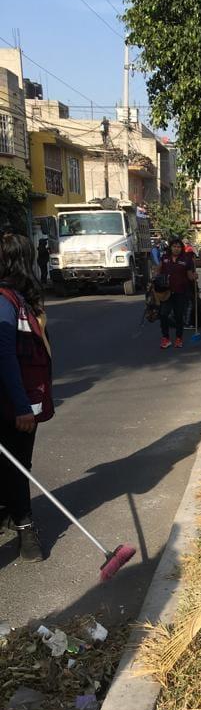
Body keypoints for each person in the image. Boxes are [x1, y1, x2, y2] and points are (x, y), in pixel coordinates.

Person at [0, 233, 53, 562]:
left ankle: (15, 516)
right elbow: (3, 355)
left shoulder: (21, 298)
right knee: (16, 465)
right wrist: (21, 407)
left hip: (25, 399)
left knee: (17, 464)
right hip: (12, 402)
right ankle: (25, 526)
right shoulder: (5, 301)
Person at [157, 237, 196, 348]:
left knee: (179, 316)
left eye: (179, 247)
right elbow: (158, 271)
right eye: (174, 246)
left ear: (181, 248)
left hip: (181, 291)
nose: (176, 249)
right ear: (170, 247)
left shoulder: (186, 259)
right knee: (163, 314)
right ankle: (166, 338)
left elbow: (189, 275)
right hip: (166, 292)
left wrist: (194, 277)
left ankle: (179, 338)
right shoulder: (165, 258)